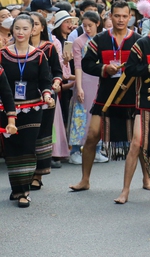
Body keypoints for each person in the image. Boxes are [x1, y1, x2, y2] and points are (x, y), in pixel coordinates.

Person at [70, 1, 141, 192]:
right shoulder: (100, 39)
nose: (120, 19)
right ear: (110, 16)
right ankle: (85, 179)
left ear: (130, 17)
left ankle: (147, 179)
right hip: (105, 95)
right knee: (92, 136)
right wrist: (104, 69)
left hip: (131, 96)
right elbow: (86, 64)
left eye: (124, 16)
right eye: (117, 15)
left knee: (139, 139)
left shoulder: (138, 40)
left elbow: (144, 67)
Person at [114, 14, 150, 204]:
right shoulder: (143, 43)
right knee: (136, 143)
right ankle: (125, 190)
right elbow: (129, 69)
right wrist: (149, 68)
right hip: (145, 100)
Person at [0, 14, 55, 208]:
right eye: (17, 28)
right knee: (12, 150)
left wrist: (47, 95)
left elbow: (45, 81)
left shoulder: (38, 55)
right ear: (11, 30)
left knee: (27, 147)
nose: (20, 32)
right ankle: (17, 188)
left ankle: (24, 191)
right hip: (7, 109)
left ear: (33, 30)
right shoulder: (3, 54)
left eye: (25, 28)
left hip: (33, 107)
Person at [28, 12, 63, 190]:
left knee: (42, 135)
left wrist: (56, 83)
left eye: (35, 24)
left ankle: (38, 174)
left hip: (46, 96)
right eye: (29, 23)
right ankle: (23, 172)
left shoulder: (49, 47)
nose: (32, 27)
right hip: (23, 99)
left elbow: (58, 71)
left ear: (42, 27)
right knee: (26, 135)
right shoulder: (15, 48)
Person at [68, 11, 104, 165]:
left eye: (90, 25)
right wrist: (79, 87)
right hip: (84, 80)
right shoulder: (78, 41)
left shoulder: (102, 40)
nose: (87, 29)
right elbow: (77, 66)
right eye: (85, 26)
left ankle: (97, 149)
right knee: (80, 115)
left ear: (97, 23)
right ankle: (75, 150)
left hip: (100, 80)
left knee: (98, 116)